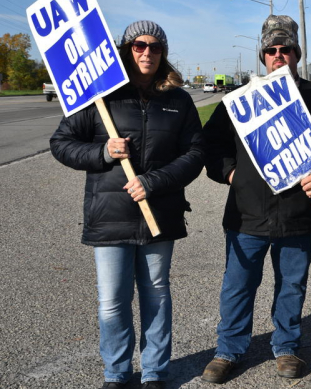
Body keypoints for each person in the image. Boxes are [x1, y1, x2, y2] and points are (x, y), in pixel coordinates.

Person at [50, 20, 206, 389]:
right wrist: (103, 151)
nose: (146, 52)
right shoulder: (100, 96)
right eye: (138, 45)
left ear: (163, 52)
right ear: (125, 49)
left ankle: (154, 372)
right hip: (110, 215)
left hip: (160, 212)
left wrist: (153, 182)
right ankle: (116, 374)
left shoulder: (179, 100)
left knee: (156, 294)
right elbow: (61, 142)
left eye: (154, 46)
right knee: (112, 302)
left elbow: (195, 153)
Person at [201, 15, 311, 383]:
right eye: (271, 50)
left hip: (299, 215)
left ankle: (287, 347)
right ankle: (228, 350)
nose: (278, 55)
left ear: (297, 53)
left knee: (292, 285)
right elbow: (210, 146)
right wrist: (232, 174)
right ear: (263, 55)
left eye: (286, 49)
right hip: (246, 216)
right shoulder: (239, 101)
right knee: (237, 286)